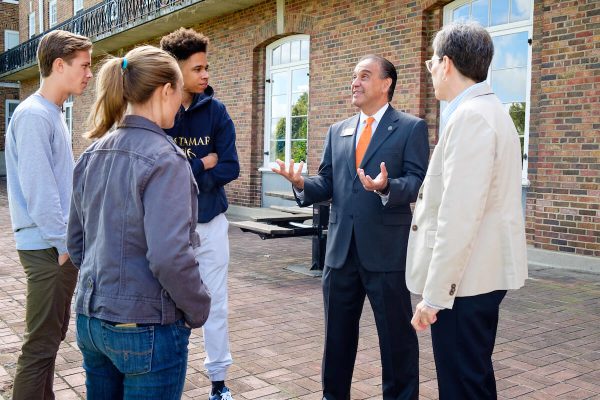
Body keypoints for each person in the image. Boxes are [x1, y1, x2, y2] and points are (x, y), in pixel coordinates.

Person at [273, 54, 429, 400]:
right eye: (354, 76)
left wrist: (387, 186)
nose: (354, 82)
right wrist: (301, 183)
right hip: (341, 254)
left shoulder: (409, 127)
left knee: (396, 341)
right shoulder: (338, 130)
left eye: (364, 76)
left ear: (386, 83)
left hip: (386, 254)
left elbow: (418, 181)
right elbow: (327, 183)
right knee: (337, 339)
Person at [66, 45, 211, 399]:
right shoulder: (167, 160)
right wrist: (198, 307)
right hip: (146, 328)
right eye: (180, 93)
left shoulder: (91, 154)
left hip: (92, 320)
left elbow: (76, 243)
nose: (181, 103)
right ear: (165, 91)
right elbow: (169, 256)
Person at [406, 21, 528, 399]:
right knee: (473, 379)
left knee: (461, 385)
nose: (431, 74)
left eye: (430, 64)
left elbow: (458, 217)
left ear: (446, 63)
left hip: (465, 283)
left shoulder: (471, 117)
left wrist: (436, 296)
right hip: (477, 277)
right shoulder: (489, 110)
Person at [5, 30, 92, 400]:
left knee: (49, 342)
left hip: (53, 247)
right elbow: (41, 192)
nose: (89, 73)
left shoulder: (51, 113)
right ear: (59, 65)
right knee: (40, 346)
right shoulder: (34, 116)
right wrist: (64, 245)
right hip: (48, 249)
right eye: (84, 65)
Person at [160, 28, 240, 400]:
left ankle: (218, 383)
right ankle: (167, 373)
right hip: (169, 226)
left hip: (210, 223)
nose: (206, 75)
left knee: (215, 302)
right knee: (166, 303)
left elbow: (230, 168)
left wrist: (189, 172)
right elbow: (158, 170)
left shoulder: (217, 112)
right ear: (176, 71)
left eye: (207, 67)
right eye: (197, 69)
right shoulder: (162, 111)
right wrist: (199, 165)